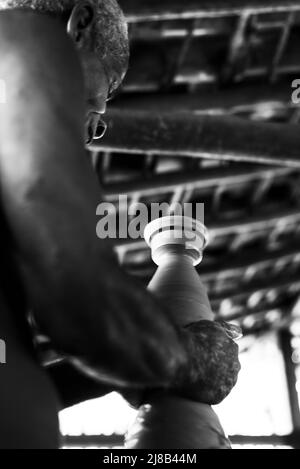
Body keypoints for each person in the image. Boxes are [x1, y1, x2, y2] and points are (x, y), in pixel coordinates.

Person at [0, 0, 240, 448]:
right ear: (80, 25)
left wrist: (128, 371)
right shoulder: (17, 52)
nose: (85, 135)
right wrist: (191, 360)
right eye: (97, 104)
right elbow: (81, 312)